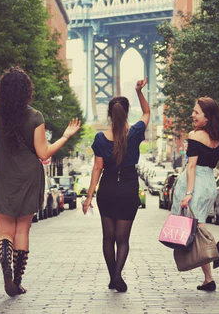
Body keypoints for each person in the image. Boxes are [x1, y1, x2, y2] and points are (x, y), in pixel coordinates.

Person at [0, 66, 80, 297]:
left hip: (4, 176)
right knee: (22, 231)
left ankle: (5, 265)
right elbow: (44, 154)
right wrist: (65, 136)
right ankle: (16, 280)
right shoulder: (35, 117)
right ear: (27, 91)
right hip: (29, 177)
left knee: (4, 231)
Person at [82, 78, 150, 292]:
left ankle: (113, 276)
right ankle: (118, 275)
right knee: (123, 239)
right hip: (128, 188)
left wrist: (89, 197)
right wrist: (139, 91)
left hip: (108, 189)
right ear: (127, 113)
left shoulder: (100, 138)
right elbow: (147, 113)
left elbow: (97, 169)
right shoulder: (136, 132)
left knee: (108, 237)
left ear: (110, 114)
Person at [171, 97, 219, 292]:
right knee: (197, 226)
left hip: (195, 184)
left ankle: (217, 246)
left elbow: (191, 166)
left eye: (196, 113)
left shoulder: (194, 136)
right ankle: (208, 279)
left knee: (197, 228)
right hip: (209, 183)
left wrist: (189, 193)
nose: (192, 115)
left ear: (207, 117)